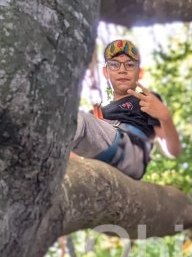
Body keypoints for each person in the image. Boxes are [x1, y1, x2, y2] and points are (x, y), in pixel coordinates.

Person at [71, 39, 182, 180]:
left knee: (75, 118)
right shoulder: (97, 113)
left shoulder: (146, 100)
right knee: (67, 120)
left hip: (131, 153)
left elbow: (173, 151)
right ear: (106, 72)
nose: (122, 70)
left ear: (140, 73)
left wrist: (165, 117)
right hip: (98, 156)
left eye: (129, 65)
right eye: (115, 65)